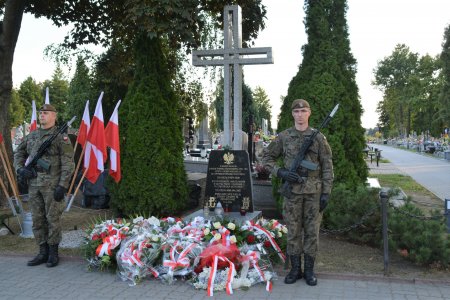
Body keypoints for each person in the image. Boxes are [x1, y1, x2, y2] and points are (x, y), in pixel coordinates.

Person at [262, 99, 333, 286]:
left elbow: (327, 166)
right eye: (297, 111)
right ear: (292, 114)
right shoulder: (284, 137)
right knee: (293, 232)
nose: (300, 114)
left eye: (303, 110)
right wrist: (282, 172)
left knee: (312, 232)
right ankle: (295, 270)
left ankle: (309, 271)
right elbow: (266, 158)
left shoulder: (318, 138)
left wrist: (326, 192)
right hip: (292, 194)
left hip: (313, 194)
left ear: (309, 113)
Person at [14, 104, 75, 268]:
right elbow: (19, 153)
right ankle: (42, 252)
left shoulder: (60, 138)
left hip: (52, 186)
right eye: (40, 113)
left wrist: (63, 186)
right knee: (37, 219)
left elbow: (68, 163)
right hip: (33, 185)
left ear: (54, 116)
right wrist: (20, 169)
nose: (42, 115)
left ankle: (53, 253)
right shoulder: (31, 136)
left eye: (46, 113)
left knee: (52, 219)